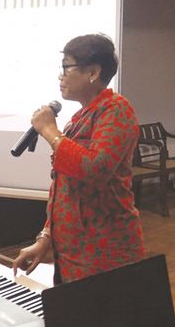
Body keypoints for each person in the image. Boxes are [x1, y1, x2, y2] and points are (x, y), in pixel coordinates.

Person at [12, 33, 146, 284]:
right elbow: (66, 189)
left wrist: (50, 131)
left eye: (66, 67)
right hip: (73, 253)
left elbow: (96, 168)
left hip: (104, 254)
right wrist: (46, 238)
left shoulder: (116, 110)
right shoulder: (84, 116)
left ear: (93, 72)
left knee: (103, 323)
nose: (60, 76)